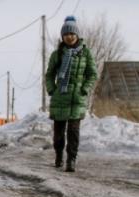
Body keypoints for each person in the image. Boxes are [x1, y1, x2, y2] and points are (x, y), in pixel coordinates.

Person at [45, 16, 98, 172]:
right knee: (59, 134)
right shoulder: (57, 54)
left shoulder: (85, 53)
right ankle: (59, 155)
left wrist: (85, 89)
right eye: (66, 34)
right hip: (60, 97)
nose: (69, 37)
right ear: (63, 36)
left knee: (73, 132)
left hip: (77, 98)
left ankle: (71, 160)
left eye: (72, 34)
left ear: (77, 35)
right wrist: (52, 89)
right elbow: (49, 75)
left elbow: (92, 74)